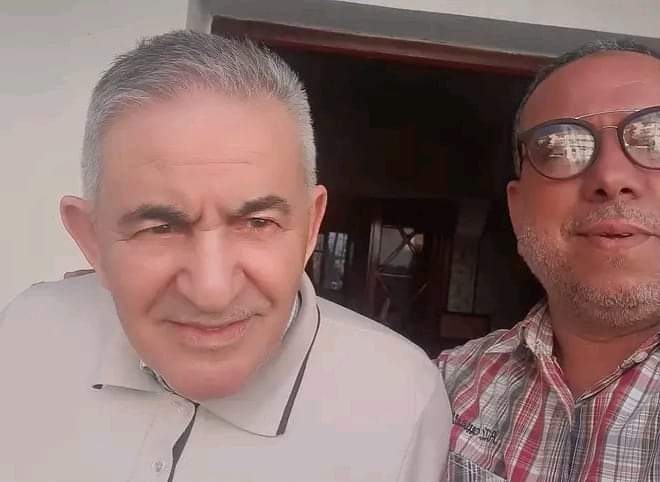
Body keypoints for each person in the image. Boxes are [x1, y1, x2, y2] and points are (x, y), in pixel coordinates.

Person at [0, 30, 450, 482]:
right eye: (159, 228)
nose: (212, 292)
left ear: (311, 226)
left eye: (257, 223)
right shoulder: (26, 334)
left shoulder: (400, 401)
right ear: (91, 239)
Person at [438, 39, 660, 481]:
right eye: (561, 147)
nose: (611, 177)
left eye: (659, 139)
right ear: (516, 209)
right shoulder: (444, 387)